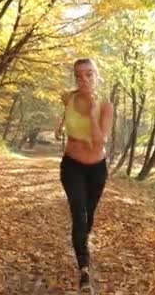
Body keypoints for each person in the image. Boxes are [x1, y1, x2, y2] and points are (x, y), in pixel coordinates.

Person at [56, 58, 113, 291]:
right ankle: (84, 271)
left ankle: (82, 241)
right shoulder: (68, 97)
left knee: (88, 217)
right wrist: (60, 125)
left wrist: (91, 114)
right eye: (78, 75)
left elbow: (100, 144)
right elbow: (66, 112)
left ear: (97, 75)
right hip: (71, 166)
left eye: (89, 74)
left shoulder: (105, 106)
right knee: (79, 215)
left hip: (97, 169)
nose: (84, 79)